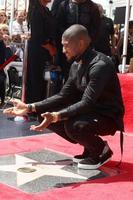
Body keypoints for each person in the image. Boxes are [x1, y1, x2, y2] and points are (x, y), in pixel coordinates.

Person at [3, 24, 124, 170]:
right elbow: (63, 95)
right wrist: (29, 107)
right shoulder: (76, 65)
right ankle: (89, 147)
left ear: (80, 43)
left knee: (75, 125)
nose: (63, 50)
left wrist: (57, 116)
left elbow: (87, 102)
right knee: (44, 114)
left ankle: (101, 150)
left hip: (107, 116)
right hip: (89, 112)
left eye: (66, 46)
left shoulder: (100, 65)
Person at [25, 0, 57, 103]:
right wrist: (50, 48)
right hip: (38, 51)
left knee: (43, 80)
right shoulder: (36, 11)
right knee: (36, 80)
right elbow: (38, 35)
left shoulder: (46, 10)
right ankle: (34, 107)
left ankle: (40, 105)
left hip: (45, 51)